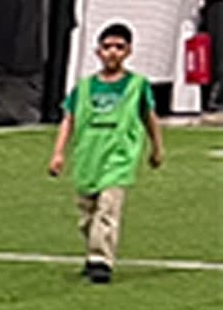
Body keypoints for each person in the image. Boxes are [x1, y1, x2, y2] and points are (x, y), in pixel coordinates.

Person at [48, 21, 164, 283]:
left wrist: (156, 148)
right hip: (89, 155)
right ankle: (93, 253)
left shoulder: (137, 85)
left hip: (119, 156)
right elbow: (69, 118)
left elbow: (149, 117)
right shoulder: (85, 87)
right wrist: (58, 153)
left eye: (119, 47)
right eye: (107, 47)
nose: (113, 52)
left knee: (108, 208)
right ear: (98, 51)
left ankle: (101, 261)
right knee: (87, 214)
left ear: (128, 52)